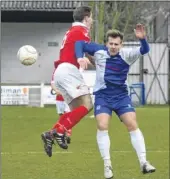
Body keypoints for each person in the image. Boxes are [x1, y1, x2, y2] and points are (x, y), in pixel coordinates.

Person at [75, 24, 156, 179]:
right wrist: (80, 57)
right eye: (110, 44)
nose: (113, 47)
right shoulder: (99, 51)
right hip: (103, 96)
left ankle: (144, 162)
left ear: (121, 44)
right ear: (106, 43)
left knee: (132, 124)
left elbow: (145, 50)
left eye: (116, 44)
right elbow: (79, 44)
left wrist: (142, 39)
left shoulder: (127, 54)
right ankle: (107, 165)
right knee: (102, 125)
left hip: (121, 96)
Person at [41, 6, 93, 157]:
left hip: (61, 72)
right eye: (91, 17)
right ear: (86, 17)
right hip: (69, 71)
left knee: (75, 108)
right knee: (87, 105)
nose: (92, 21)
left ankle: (51, 134)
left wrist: (53, 78)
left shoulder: (70, 31)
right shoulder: (81, 32)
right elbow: (91, 54)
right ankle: (58, 131)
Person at [51, 61, 72, 143]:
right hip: (59, 98)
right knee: (61, 117)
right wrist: (57, 90)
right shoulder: (55, 74)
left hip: (68, 98)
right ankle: (61, 134)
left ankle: (67, 135)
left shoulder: (69, 73)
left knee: (67, 116)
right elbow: (52, 84)